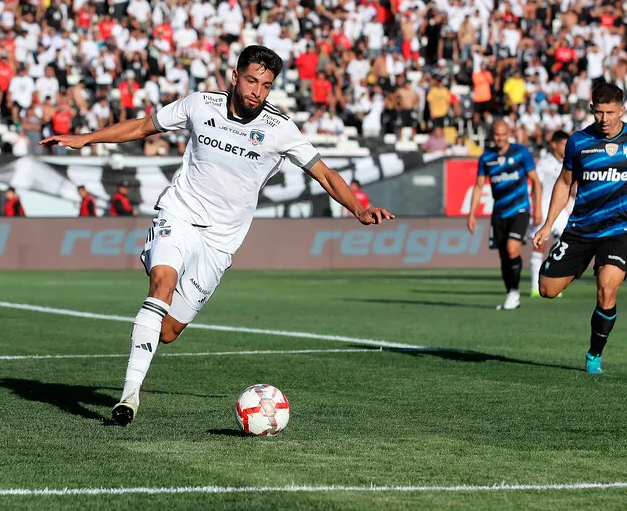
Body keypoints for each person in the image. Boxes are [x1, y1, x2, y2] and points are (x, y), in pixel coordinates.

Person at [41, 45, 394, 425]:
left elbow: (323, 172)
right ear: (235, 76)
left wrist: (358, 208)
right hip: (179, 214)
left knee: (170, 330)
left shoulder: (279, 129)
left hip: (222, 240)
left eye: (266, 85)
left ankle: (142, 351)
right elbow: (144, 126)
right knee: (162, 284)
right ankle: (129, 397)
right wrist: (87, 138)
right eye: (252, 80)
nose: (258, 91)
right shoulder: (199, 104)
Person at [534, 83, 627, 375]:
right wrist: (547, 224)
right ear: (591, 109)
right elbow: (566, 183)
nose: (604, 119)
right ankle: (577, 265)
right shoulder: (578, 142)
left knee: (607, 288)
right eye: (599, 112)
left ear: (621, 110)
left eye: (610, 113)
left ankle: (594, 354)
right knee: (547, 290)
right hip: (580, 228)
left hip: (618, 228)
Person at [466, 120, 542, 310]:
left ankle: (515, 292)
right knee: (503, 256)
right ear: (492, 135)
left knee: (511, 249)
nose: (500, 138)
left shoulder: (521, 153)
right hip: (499, 213)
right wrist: (471, 214)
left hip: (520, 210)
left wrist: (538, 208)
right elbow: (478, 186)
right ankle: (510, 293)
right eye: (496, 135)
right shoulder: (486, 157)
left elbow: (535, 182)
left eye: (503, 134)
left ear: (508, 133)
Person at [529, 130, 572, 297]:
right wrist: (537, 209)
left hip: (562, 212)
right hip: (545, 208)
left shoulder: (568, 162)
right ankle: (534, 285)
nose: (566, 147)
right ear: (554, 144)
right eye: (563, 144)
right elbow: (535, 186)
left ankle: (554, 283)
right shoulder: (544, 163)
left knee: (560, 248)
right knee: (539, 246)